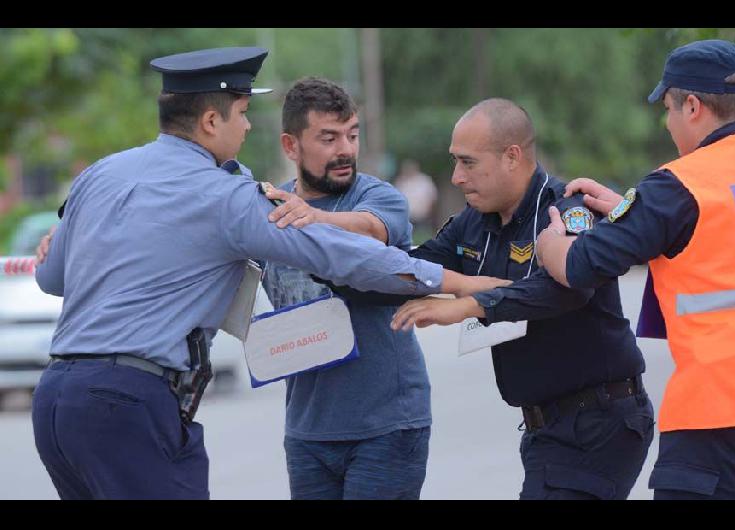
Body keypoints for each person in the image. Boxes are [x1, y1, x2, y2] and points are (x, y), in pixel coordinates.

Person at [30, 47, 505, 500]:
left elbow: (53, 279)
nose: (247, 124)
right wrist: (460, 284)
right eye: (241, 113)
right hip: (130, 402)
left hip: (55, 400)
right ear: (211, 121)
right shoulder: (227, 195)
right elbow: (341, 255)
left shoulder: (101, 174)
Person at [350, 98, 655, 499]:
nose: (457, 177)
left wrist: (469, 302)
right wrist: (326, 255)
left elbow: (569, 288)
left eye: (468, 162)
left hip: (599, 422)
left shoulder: (568, 210)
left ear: (512, 156)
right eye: (455, 162)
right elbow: (412, 270)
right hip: (546, 428)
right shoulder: (474, 222)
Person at [536, 39, 735, 500]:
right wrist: (631, 213)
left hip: (719, 419)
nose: (668, 121)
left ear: (693, 106)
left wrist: (548, 242)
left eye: (670, 108)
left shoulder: (679, 185)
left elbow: (581, 266)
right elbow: (728, 236)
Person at [258, 77, 434, 500]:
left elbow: (373, 231)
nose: (346, 150)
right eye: (328, 137)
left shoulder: (378, 196)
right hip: (307, 429)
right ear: (291, 146)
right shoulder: (265, 208)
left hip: (386, 425)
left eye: (352, 135)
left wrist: (312, 219)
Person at [392, 159, 438, 236]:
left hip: (422, 216)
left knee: (423, 236)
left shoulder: (424, 181)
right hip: (406, 216)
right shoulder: (400, 181)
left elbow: (432, 197)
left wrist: (429, 211)